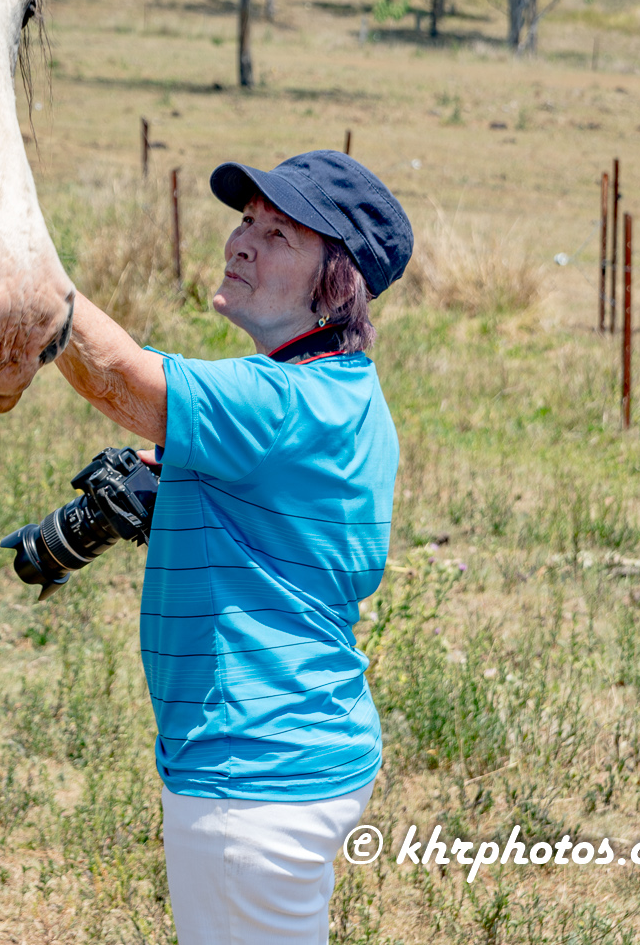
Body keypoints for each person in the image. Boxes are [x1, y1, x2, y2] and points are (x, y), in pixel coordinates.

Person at [50, 150, 413, 945]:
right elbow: (281, 504)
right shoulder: (350, 393)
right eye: (248, 220)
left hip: (249, 778)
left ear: (337, 284)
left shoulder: (275, 402)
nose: (242, 242)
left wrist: (27, 277)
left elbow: (121, 378)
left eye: (280, 235)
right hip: (312, 745)